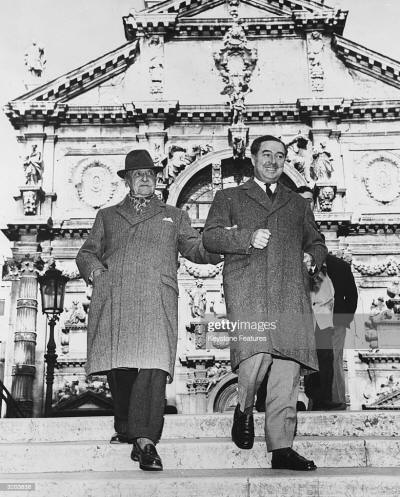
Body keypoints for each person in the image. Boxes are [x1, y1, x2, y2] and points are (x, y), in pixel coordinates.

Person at [76, 149, 220, 472]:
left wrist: (222, 246)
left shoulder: (174, 215)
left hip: (157, 300)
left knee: (155, 366)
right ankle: (126, 425)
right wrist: (97, 272)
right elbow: (86, 253)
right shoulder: (108, 216)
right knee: (123, 367)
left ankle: (145, 442)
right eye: (138, 174)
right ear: (127, 180)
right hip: (118, 300)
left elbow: (195, 247)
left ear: (156, 180)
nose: (144, 179)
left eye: (149, 174)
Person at [203, 135, 327, 471]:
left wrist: (311, 258)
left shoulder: (297, 204)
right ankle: (243, 407)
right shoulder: (229, 196)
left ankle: (282, 447)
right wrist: (245, 238)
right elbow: (210, 237)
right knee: (255, 354)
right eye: (267, 154)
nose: (273, 161)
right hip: (249, 288)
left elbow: (317, 241)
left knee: (287, 370)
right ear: (254, 159)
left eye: (280, 156)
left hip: (289, 290)